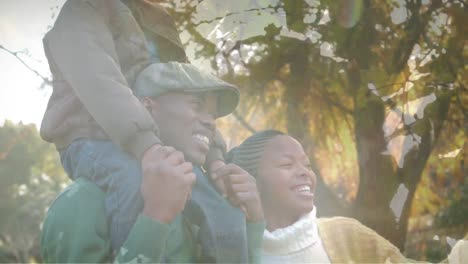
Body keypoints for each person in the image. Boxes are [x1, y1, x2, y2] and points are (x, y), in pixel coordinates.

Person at [39, 0, 226, 252]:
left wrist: (215, 158)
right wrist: (147, 147)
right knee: (135, 181)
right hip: (91, 136)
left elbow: (189, 86)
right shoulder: (84, 8)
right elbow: (98, 79)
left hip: (154, 139)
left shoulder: (160, 18)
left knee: (215, 198)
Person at [40, 62, 265, 263]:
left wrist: (253, 221)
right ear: (147, 108)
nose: (211, 123)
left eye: (213, 115)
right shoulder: (82, 202)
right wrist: (156, 215)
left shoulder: (206, 202)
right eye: (197, 105)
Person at [226, 129, 467, 263]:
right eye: (287, 165)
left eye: (307, 165)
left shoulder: (345, 235)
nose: (304, 173)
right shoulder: (231, 252)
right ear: (251, 179)